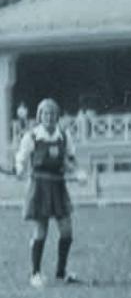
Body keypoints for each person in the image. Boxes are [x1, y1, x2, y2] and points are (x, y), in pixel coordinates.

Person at [15, 99, 80, 287]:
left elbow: (70, 159)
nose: (49, 117)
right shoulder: (32, 136)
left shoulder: (64, 136)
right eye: (45, 113)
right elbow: (21, 158)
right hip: (40, 186)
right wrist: (20, 168)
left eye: (53, 114)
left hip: (58, 185)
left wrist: (77, 171)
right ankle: (35, 274)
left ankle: (61, 273)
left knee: (66, 230)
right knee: (41, 230)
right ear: (39, 116)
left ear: (57, 116)